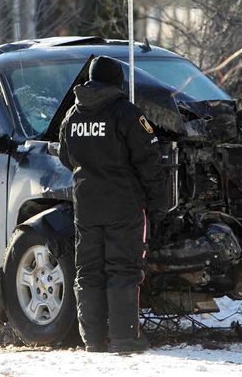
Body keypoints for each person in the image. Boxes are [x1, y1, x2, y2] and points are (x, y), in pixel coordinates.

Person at [58, 55, 167, 353]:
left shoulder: (72, 115)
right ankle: (124, 337)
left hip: (87, 205)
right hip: (123, 205)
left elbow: (65, 157)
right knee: (123, 268)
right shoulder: (127, 113)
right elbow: (148, 161)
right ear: (117, 81)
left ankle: (93, 339)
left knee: (89, 270)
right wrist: (159, 201)